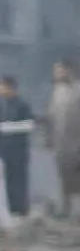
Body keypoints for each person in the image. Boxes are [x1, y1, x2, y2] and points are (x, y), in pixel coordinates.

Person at [49, 63, 80, 222]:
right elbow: (51, 117)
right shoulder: (57, 91)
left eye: (59, 71)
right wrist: (49, 138)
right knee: (64, 176)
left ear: (69, 71)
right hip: (60, 142)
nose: (56, 75)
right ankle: (66, 208)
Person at [0, 77, 33, 221]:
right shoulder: (2, 105)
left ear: (11, 88)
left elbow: (29, 125)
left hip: (19, 150)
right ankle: (11, 208)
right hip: (4, 149)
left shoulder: (22, 105)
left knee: (19, 179)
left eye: (3, 86)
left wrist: (7, 128)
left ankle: (21, 209)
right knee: (7, 180)